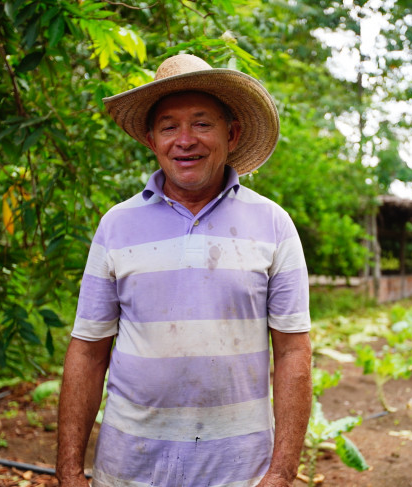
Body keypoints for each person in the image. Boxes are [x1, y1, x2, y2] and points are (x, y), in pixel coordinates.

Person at [56, 54, 313, 487]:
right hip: (129, 468)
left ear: (231, 134)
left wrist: (282, 474)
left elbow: (292, 353)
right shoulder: (116, 225)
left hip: (239, 472)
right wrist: (68, 473)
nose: (185, 140)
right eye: (169, 126)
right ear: (151, 139)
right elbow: (87, 351)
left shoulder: (273, 224)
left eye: (202, 123)